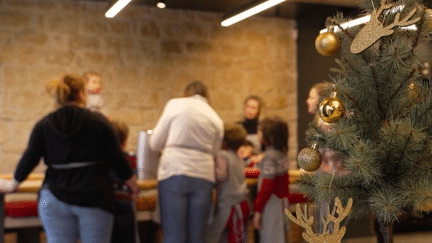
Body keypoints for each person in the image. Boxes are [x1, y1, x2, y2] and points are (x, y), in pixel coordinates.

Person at [0, 74, 139, 243]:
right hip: (94, 196)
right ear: (82, 94)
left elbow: (29, 158)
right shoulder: (98, 121)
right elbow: (117, 158)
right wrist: (133, 185)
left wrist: (13, 184)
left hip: (53, 197)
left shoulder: (44, 124)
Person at [149, 80, 224, 243]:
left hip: (174, 171)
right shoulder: (215, 117)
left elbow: (154, 143)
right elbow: (215, 152)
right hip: (203, 175)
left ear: (186, 93)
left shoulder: (175, 105)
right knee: (197, 237)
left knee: (173, 235)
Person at [306, 82, 351, 234]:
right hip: (330, 180)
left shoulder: (326, 122)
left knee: (328, 229)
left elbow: (333, 153)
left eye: (311, 97)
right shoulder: (324, 121)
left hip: (331, 181)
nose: (308, 101)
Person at [207, 124, 250, 243]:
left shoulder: (223, 155)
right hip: (242, 202)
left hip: (230, 205)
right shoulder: (238, 157)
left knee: (215, 235)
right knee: (237, 237)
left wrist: (208, 173)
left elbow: (221, 175)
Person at [253, 116, 290, 243]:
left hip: (271, 204)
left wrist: (258, 210)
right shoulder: (281, 152)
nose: (258, 133)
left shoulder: (270, 156)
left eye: (260, 131)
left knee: (270, 238)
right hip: (281, 202)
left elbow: (267, 186)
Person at [110, 119, 140, 243]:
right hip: (125, 203)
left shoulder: (102, 159)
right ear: (125, 141)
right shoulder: (131, 158)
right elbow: (134, 177)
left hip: (107, 203)